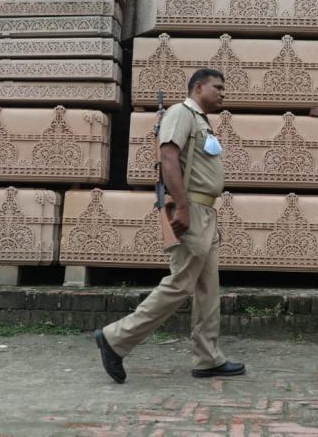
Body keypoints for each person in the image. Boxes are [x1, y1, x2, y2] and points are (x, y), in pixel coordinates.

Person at [94, 68, 246, 383]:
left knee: (207, 289)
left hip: (205, 211)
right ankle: (115, 339)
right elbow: (168, 157)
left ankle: (207, 357)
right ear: (198, 87)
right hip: (191, 209)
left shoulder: (201, 121)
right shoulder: (181, 112)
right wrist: (184, 207)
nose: (222, 94)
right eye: (217, 88)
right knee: (180, 284)